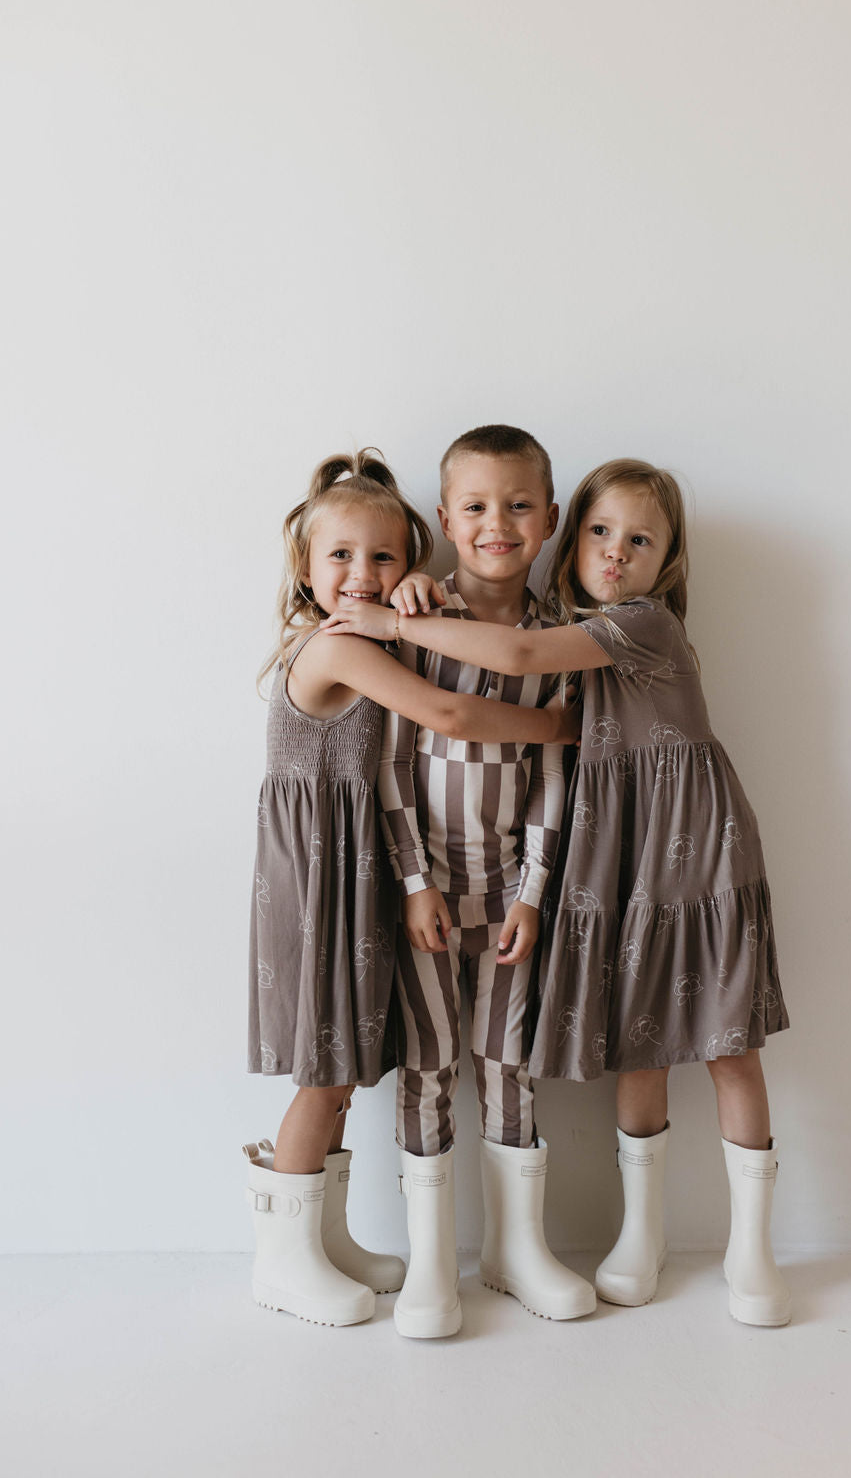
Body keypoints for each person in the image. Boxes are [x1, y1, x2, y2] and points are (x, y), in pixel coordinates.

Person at [327, 456, 792, 1328]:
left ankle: (752, 1253)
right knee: (638, 1041)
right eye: (602, 532)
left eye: (640, 538)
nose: (616, 553)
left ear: (669, 559)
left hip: (696, 862)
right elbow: (469, 704)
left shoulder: (635, 625)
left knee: (730, 1043)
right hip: (622, 870)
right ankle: (638, 1241)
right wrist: (417, 598)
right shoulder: (571, 626)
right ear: (570, 538)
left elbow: (519, 657)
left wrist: (388, 617)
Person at [244, 449, 579, 1329]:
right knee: (325, 1069)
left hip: (354, 875)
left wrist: (416, 602)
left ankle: (331, 1237)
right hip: (322, 877)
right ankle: (281, 1257)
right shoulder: (336, 645)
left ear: (413, 562)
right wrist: (554, 724)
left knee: (348, 1062)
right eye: (341, 557)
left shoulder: (379, 623)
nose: (362, 575)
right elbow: (447, 715)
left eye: (385, 558)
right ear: (306, 570)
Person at [336, 424, 596, 1339]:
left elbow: (557, 775)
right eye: (476, 507)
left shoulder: (560, 638)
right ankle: (432, 1266)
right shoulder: (418, 619)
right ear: (444, 520)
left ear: (552, 520)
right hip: (429, 895)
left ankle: (516, 1253)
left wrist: (532, 890)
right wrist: (412, 880)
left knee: (510, 1061)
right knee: (431, 1064)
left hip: (512, 895)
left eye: (520, 505)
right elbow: (393, 758)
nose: (498, 523)